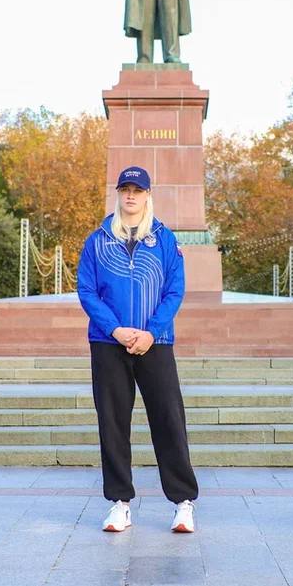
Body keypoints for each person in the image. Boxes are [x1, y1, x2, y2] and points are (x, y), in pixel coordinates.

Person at [77, 166, 198, 533]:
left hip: (155, 343)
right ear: (118, 194)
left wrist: (150, 331)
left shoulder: (164, 239)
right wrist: (115, 329)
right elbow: (87, 291)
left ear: (148, 195)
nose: (131, 195)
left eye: (138, 190)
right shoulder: (98, 239)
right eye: (125, 189)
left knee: (168, 420)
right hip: (108, 342)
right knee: (113, 422)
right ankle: (119, 502)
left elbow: (174, 290)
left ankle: (183, 502)